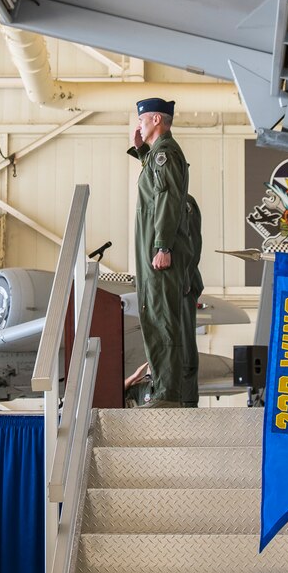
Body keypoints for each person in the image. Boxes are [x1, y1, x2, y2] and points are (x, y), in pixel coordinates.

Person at [127, 97, 192, 407]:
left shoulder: (164, 154)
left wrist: (162, 245)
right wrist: (141, 150)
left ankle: (167, 393)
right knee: (156, 315)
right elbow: (157, 189)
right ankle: (165, 389)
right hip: (154, 249)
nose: (138, 124)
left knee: (162, 318)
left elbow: (165, 199)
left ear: (155, 120)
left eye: (142, 120)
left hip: (160, 251)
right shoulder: (157, 155)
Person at [181, 194, 204, 407]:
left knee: (184, 351)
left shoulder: (182, 202)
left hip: (180, 285)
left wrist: (185, 278)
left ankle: (186, 403)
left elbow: (190, 243)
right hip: (174, 284)